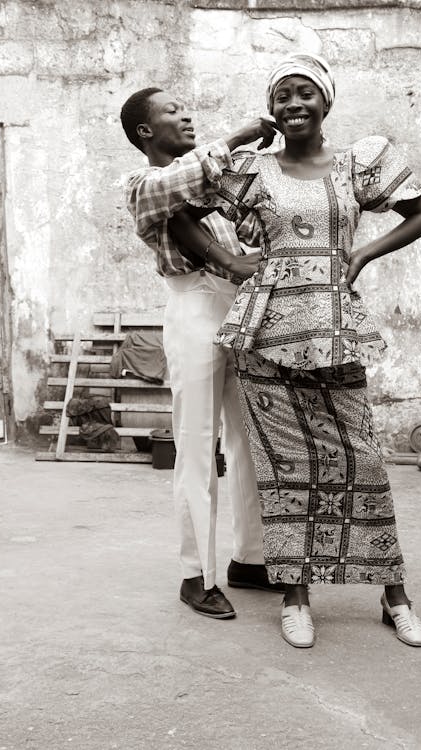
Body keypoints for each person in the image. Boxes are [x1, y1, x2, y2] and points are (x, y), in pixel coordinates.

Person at [189, 53, 421, 647]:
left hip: (334, 328)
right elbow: (175, 206)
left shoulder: (358, 164)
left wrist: (361, 254)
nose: (293, 104)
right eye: (282, 96)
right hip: (265, 332)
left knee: (364, 460)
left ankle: (394, 595)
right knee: (285, 469)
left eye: (305, 93)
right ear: (271, 109)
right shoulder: (251, 170)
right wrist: (227, 259)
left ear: (327, 101)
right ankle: (296, 597)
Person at [120, 87, 284, 620]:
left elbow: (235, 217)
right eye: (171, 111)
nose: (185, 113)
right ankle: (196, 575)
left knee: (248, 441)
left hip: (236, 312)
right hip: (192, 308)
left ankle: (250, 559)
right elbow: (183, 181)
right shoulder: (143, 185)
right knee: (195, 448)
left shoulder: (208, 195)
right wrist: (235, 136)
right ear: (145, 132)